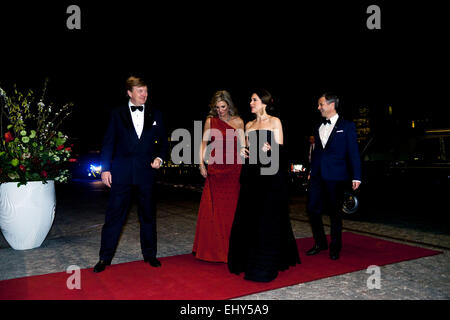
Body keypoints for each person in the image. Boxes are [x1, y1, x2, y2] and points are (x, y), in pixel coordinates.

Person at [93, 76, 168, 273]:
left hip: (146, 172)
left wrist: (160, 158)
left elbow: (163, 142)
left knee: (148, 216)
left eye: (146, 90)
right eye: (140, 91)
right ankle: (104, 258)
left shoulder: (156, 113)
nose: (145, 94)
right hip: (121, 172)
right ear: (130, 92)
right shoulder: (116, 113)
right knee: (114, 216)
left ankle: (150, 254)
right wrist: (105, 168)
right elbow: (108, 142)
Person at [227, 89, 300, 282]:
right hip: (252, 176)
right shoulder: (249, 125)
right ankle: (249, 259)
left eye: (254, 99)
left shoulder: (275, 122)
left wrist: (273, 148)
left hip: (271, 177)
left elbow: (282, 152)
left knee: (268, 220)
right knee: (251, 218)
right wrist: (243, 151)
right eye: (251, 99)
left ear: (264, 102)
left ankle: (267, 264)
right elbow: (244, 152)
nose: (251, 102)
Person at [306, 93, 361, 260]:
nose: (318, 107)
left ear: (331, 105)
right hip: (317, 175)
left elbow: (353, 153)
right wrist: (311, 171)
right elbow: (317, 152)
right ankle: (320, 242)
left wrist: (356, 176)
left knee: (334, 213)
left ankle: (335, 247)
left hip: (336, 176)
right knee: (312, 209)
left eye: (320, 104)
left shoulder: (347, 126)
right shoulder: (318, 126)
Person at [192, 90, 244, 263]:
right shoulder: (210, 121)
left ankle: (233, 248)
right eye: (217, 107)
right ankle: (213, 250)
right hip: (216, 167)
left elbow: (244, 145)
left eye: (223, 107)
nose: (220, 110)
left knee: (232, 210)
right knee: (214, 210)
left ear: (229, 105)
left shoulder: (239, 121)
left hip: (234, 168)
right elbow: (203, 143)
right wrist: (201, 163)